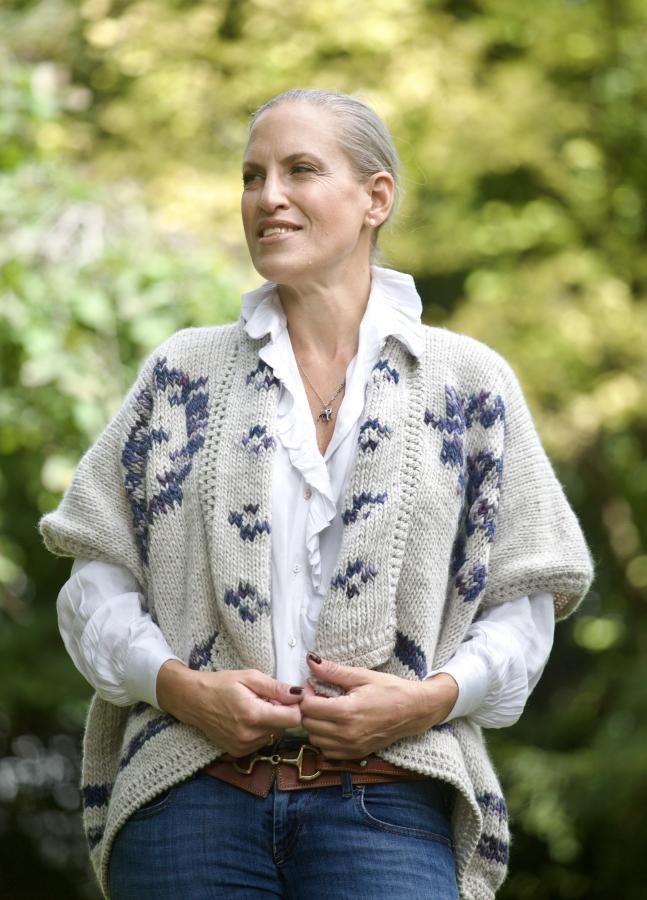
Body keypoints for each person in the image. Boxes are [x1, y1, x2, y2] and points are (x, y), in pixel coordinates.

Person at [40, 89, 593, 900]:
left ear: (376, 198)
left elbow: (523, 603)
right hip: (189, 803)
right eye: (251, 176)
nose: (268, 197)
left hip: (388, 805)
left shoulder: (468, 383)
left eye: (300, 170)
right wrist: (179, 688)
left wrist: (427, 701)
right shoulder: (181, 374)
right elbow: (94, 582)